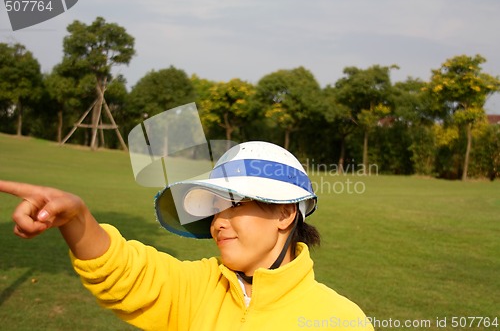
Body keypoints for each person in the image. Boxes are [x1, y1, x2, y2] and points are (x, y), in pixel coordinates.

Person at [1, 141, 374, 331]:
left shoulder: (341, 319)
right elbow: (125, 273)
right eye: (214, 208)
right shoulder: (198, 286)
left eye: (234, 205)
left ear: (285, 212)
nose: (217, 222)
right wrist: (76, 218)